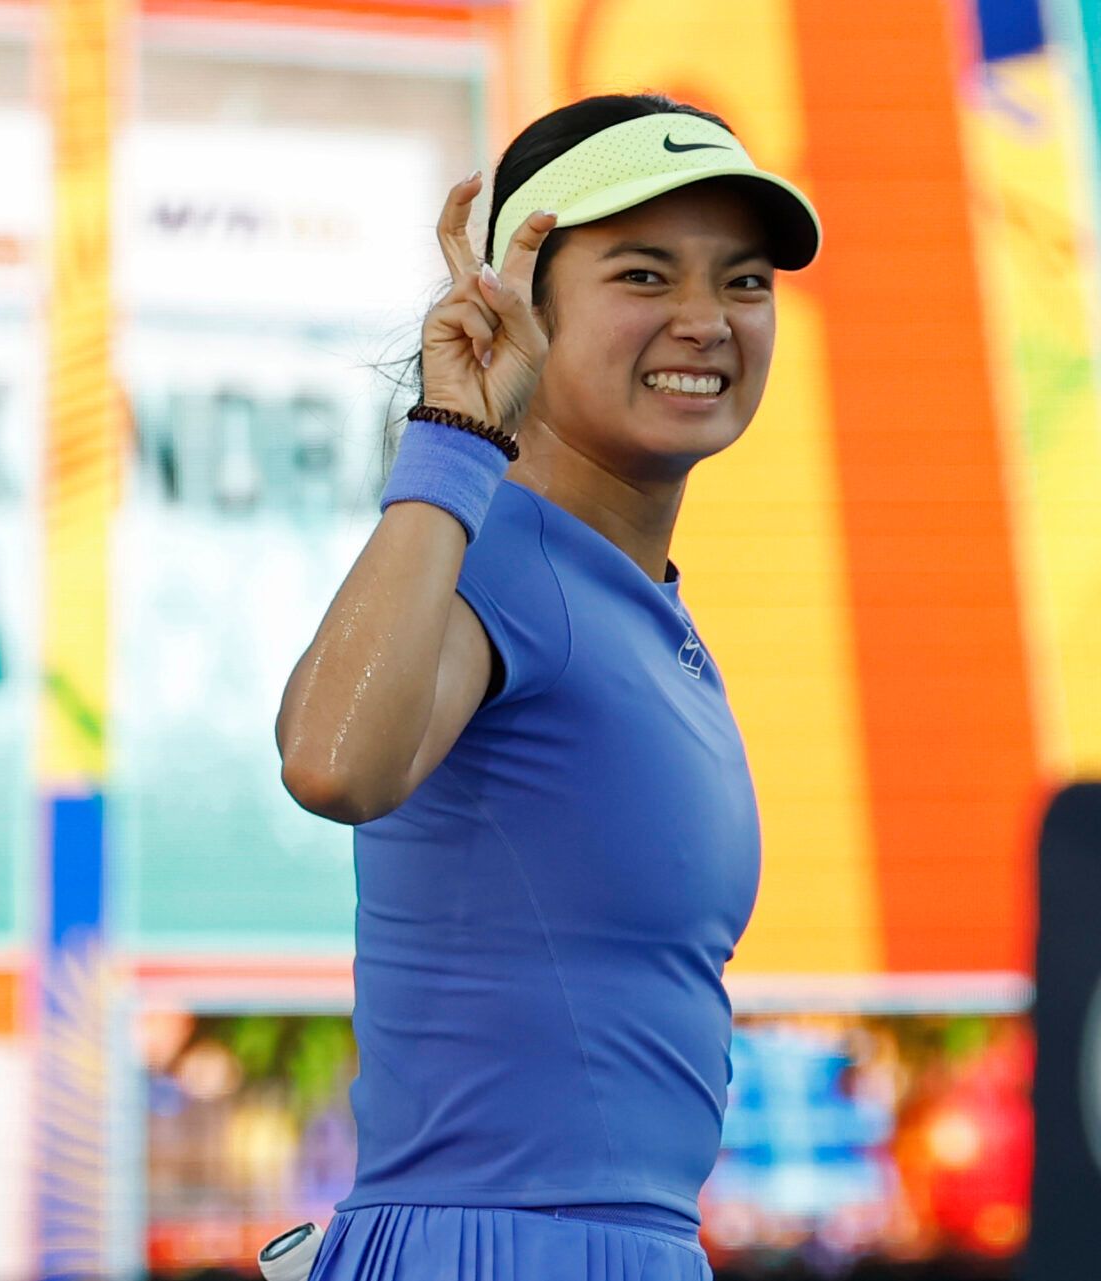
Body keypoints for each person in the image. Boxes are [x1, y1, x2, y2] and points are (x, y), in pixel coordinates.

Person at [273, 92, 822, 1280]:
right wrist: (453, 434)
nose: (705, 321)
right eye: (641, 274)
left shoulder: (636, 600)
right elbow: (331, 762)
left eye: (743, 282)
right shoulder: (501, 551)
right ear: (524, 305)